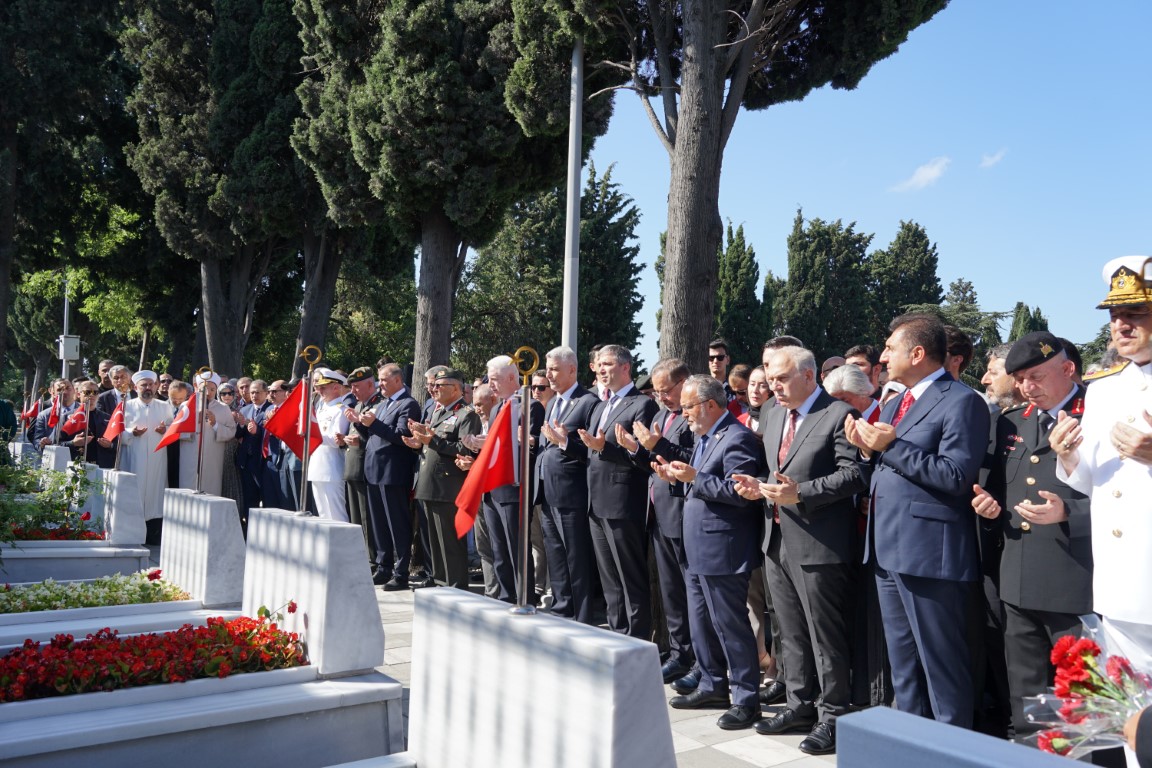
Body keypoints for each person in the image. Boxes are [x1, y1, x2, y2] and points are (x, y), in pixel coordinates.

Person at [845, 312, 989, 728]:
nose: (884, 356)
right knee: (903, 665)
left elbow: (956, 476)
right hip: (888, 547)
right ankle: (911, 743)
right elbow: (886, 471)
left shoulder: (962, 401)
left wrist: (888, 447)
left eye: (890, 348)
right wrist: (866, 451)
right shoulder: (894, 401)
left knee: (941, 666)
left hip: (930, 553)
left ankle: (952, 750)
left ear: (918, 353)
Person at [736, 346, 865, 754]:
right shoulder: (773, 413)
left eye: (781, 378)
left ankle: (833, 716)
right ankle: (799, 703)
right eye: (770, 378)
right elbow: (776, 468)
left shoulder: (839, 415)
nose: (773, 386)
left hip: (820, 544)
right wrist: (756, 485)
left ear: (808, 376)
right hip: (776, 539)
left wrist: (801, 494)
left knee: (825, 635)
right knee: (789, 630)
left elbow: (855, 475)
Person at [971, 331, 1092, 735]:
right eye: (1019, 378)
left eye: (1035, 376)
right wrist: (988, 510)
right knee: (1026, 693)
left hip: (1078, 578)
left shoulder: (1099, 414)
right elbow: (1001, 491)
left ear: (1067, 369)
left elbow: (1129, 500)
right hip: (1019, 577)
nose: (1026, 387)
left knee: (1081, 696)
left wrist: (1069, 512)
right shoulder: (1009, 422)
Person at [1052, 256, 1152, 671]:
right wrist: (1067, 454)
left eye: (1136, 313)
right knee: (1133, 709)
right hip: (1120, 575)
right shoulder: (1104, 390)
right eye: (1115, 315)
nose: (1121, 325)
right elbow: (1091, 480)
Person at [655, 375, 764, 731]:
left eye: (688, 407)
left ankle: (747, 699)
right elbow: (701, 484)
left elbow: (739, 493)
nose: (683, 413)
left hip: (723, 549)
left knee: (730, 625)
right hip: (698, 545)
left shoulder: (738, 438)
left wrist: (693, 479)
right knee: (701, 623)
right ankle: (712, 684)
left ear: (711, 405)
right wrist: (679, 479)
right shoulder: (706, 437)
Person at [616, 358, 695, 682]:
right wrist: (637, 450)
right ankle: (679, 654)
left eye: (666, 390)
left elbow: (692, 459)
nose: (660, 397)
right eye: (658, 391)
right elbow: (654, 461)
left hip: (682, 515)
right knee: (671, 593)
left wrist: (655, 444)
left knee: (691, 593)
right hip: (658, 513)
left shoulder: (694, 416)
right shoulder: (662, 414)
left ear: (684, 382)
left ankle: (699, 660)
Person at [577, 344, 659, 638]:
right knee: (609, 579)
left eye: (608, 364)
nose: (601, 369)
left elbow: (645, 458)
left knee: (630, 578)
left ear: (626, 367)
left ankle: (636, 640)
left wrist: (606, 448)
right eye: (599, 364)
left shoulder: (642, 405)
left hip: (624, 503)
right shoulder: (599, 405)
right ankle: (615, 635)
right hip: (596, 503)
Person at [537, 346, 599, 623]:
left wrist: (564, 441)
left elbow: (592, 450)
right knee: (556, 553)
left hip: (572, 492)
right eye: (548, 369)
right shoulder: (552, 402)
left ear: (572, 370)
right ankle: (562, 606)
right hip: (547, 490)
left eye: (554, 369)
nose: (549, 375)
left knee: (576, 556)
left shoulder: (588, 402)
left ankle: (582, 614)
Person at [404, 368, 481, 589]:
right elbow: (433, 446)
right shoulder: (438, 412)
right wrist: (418, 444)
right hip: (430, 485)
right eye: (434, 385)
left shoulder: (467, 414)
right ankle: (440, 583)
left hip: (448, 486)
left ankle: (456, 588)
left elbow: (465, 449)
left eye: (440, 386)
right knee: (434, 543)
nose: (434, 389)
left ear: (455, 388)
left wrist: (432, 441)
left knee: (450, 544)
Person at [346, 362, 421, 590]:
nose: (381, 385)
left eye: (385, 380)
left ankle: (401, 572)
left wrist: (374, 423)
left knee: (397, 523)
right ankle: (383, 566)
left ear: (398, 380)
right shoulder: (384, 403)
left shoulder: (408, 404)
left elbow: (400, 437)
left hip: (393, 472)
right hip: (374, 471)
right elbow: (372, 436)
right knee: (379, 524)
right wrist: (359, 424)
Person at [476, 355, 544, 603]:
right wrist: (478, 443)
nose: (490, 384)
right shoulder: (496, 408)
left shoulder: (530, 405)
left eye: (494, 379)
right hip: (493, 488)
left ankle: (523, 597)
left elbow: (533, 447)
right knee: (498, 548)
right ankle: (505, 596)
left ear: (512, 378)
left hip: (514, 487)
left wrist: (525, 439)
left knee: (517, 547)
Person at [120, 371, 176, 544]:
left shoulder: (164, 406)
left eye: (151, 384)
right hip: (133, 457)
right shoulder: (126, 406)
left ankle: (153, 535)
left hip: (157, 458)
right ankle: (133, 534)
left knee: (155, 493)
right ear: (135, 387)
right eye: (144, 385)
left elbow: (173, 430)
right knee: (134, 493)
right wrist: (131, 432)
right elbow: (117, 433)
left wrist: (164, 431)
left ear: (156, 386)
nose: (148, 388)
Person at [342, 367, 384, 576]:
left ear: (370, 384)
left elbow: (375, 438)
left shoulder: (378, 405)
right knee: (356, 517)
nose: (353, 390)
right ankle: (361, 556)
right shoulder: (359, 405)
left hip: (366, 466)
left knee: (367, 518)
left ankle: (373, 560)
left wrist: (358, 428)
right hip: (352, 466)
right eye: (351, 386)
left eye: (357, 386)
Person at [309, 368, 350, 521]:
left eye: (323, 387)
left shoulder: (341, 410)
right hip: (317, 466)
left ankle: (342, 545)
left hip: (332, 468)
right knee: (323, 514)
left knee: (337, 516)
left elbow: (336, 440)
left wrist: (312, 434)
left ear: (336, 387)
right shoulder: (319, 408)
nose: (319, 390)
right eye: (318, 387)